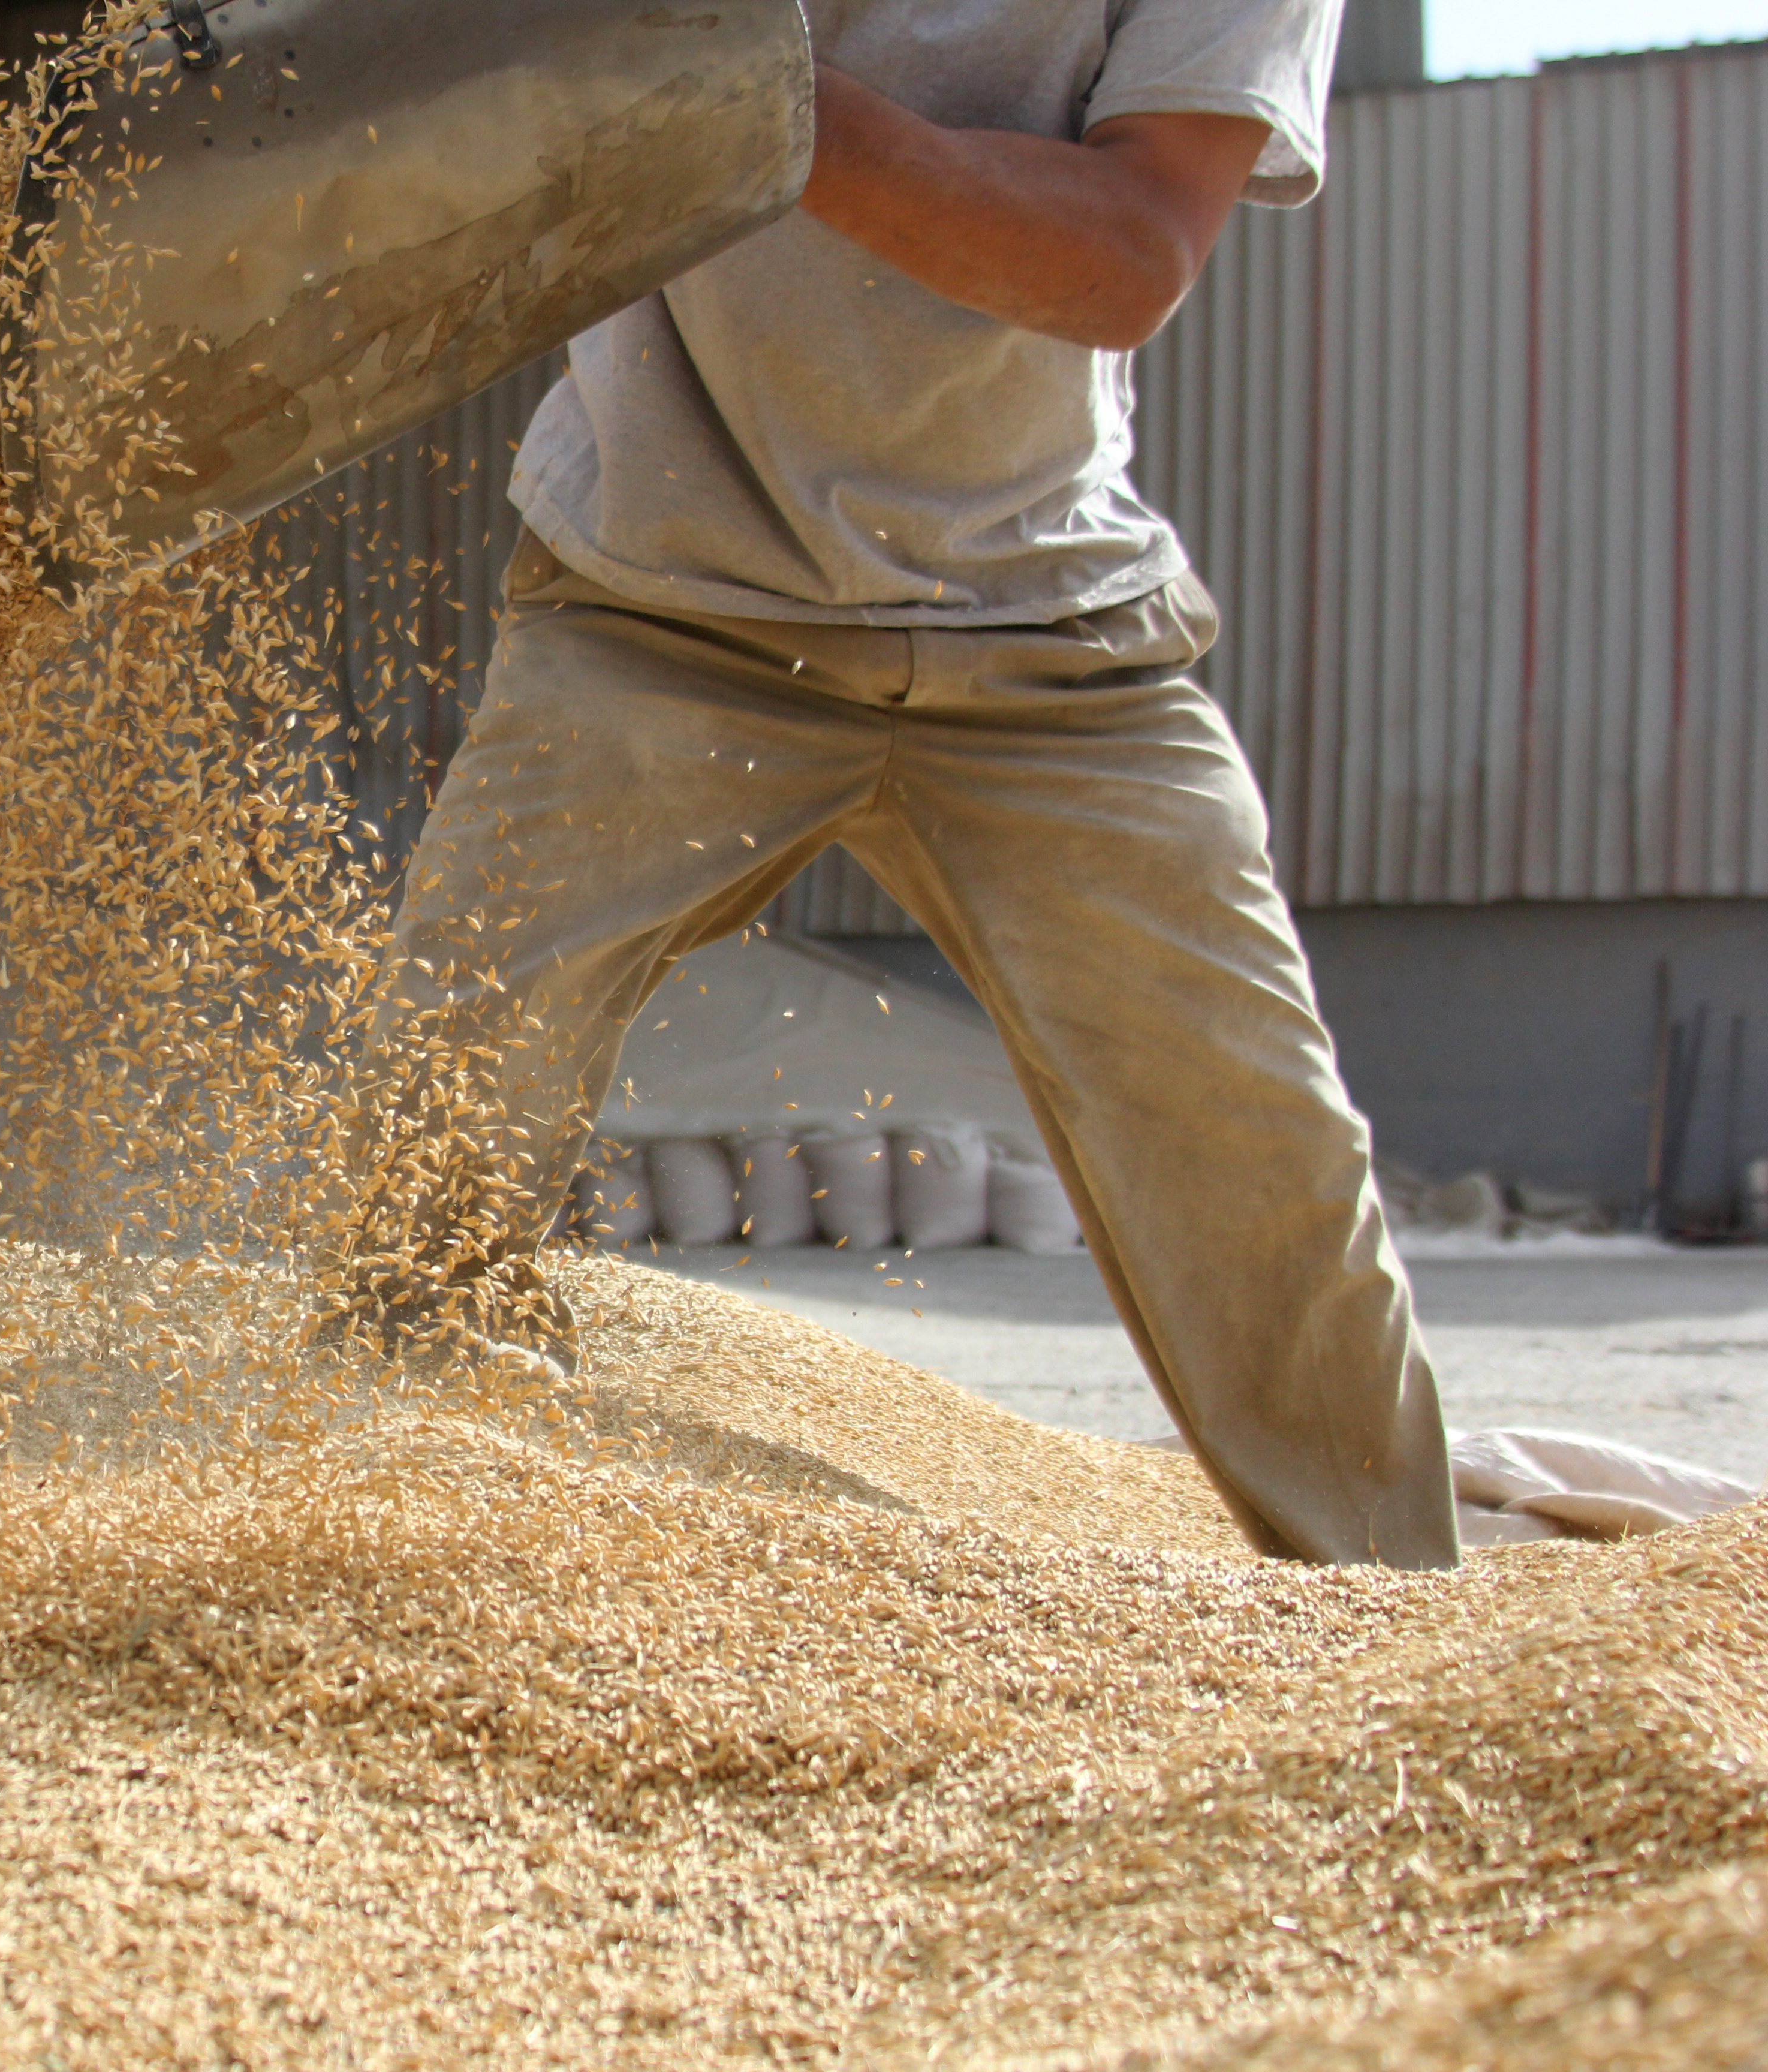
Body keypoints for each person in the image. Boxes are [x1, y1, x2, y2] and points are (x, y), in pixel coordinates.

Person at [337, 0, 1459, 1568]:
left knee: (1261, 1157)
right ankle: (364, 1536)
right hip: (660, 595)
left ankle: (1399, 1619)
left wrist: (744, 90)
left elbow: (1129, 256)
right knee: (453, 1072)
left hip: (1045, 634)